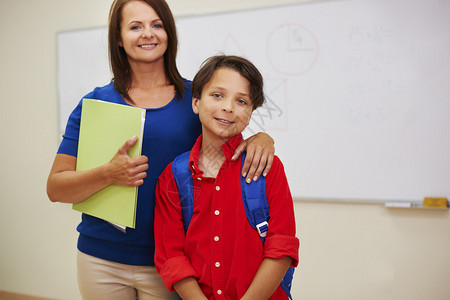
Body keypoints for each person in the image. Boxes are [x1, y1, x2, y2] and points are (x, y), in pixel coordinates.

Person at [46, 1, 275, 300]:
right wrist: (108, 173)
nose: (147, 34)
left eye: (156, 24)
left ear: (169, 32)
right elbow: (56, 188)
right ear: (118, 37)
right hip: (99, 259)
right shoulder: (96, 104)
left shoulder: (197, 99)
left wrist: (262, 137)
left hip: (173, 263)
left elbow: (232, 146)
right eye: (135, 26)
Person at [154, 55, 299, 300]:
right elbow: (172, 256)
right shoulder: (173, 177)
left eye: (241, 101)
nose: (229, 107)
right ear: (196, 103)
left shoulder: (268, 168)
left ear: (251, 112)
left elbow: (281, 247)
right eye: (217, 95)